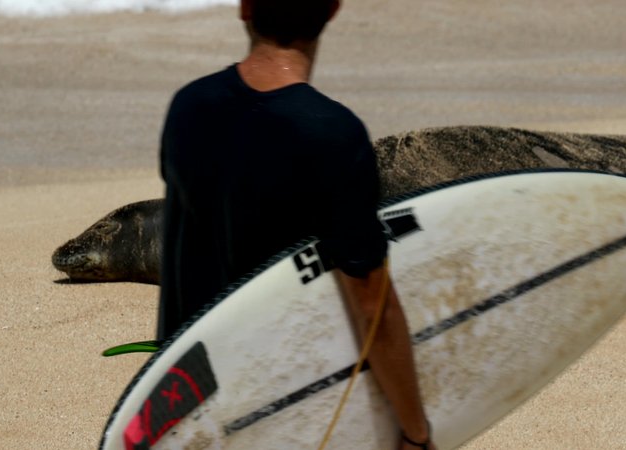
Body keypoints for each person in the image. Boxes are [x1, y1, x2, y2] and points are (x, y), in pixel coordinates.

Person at [157, 0, 435, 448]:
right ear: (331, 10)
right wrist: (416, 432)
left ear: (245, 8)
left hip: (185, 407)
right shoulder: (331, 133)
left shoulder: (188, 106)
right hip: (279, 413)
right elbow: (370, 301)